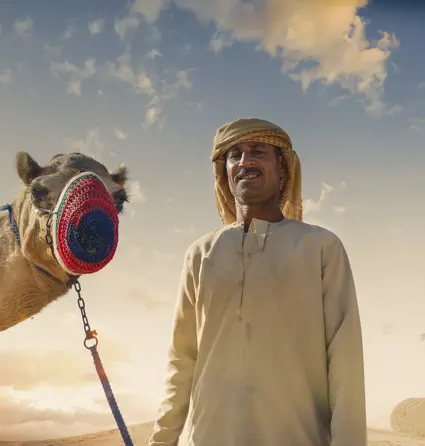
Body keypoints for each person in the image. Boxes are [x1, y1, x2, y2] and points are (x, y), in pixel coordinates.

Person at [147, 118, 367, 446]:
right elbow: (182, 358)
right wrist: (161, 441)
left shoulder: (321, 247)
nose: (245, 161)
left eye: (258, 152)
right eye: (234, 154)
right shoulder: (200, 254)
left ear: (282, 170)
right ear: (224, 173)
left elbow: (345, 360)